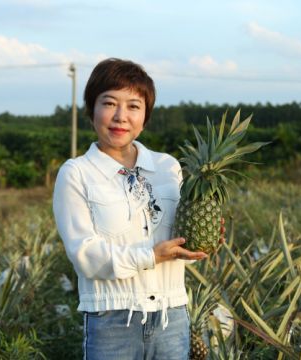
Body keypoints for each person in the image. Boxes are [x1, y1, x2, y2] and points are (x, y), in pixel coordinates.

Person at [52, 58, 222, 359]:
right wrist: (152, 256)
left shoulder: (168, 167)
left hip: (172, 318)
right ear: (92, 109)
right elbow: (85, 257)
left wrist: (199, 243)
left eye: (133, 106)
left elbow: (176, 245)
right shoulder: (77, 173)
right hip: (112, 322)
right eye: (109, 103)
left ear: (145, 116)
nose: (120, 116)